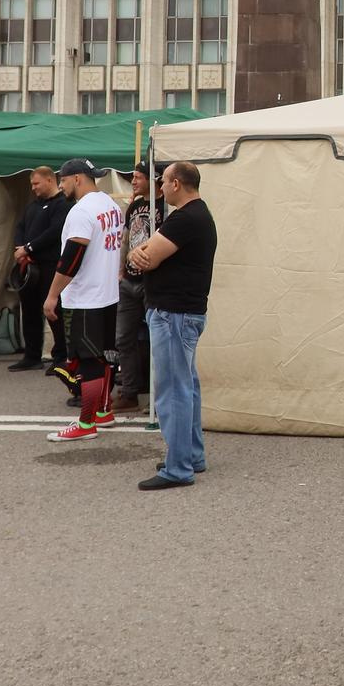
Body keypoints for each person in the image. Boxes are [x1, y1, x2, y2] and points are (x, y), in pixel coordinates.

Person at [124, 160, 215, 490]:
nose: (158, 186)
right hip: (183, 313)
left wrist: (140, 252)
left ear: (177, 184)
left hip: (173, 314)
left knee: (173, 391)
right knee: (186, 386)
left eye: (163, 181)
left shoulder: (185, 219)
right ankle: (190, 455)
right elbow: (141, 255)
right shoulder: (197, 216)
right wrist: (140, 253)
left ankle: (178, 467)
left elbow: (147, 255)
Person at [42, 159, 122, 440]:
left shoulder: (81, 211)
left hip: (86, 297)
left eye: (62, 180)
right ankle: (104, 410)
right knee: (106, 357)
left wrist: (52, 295)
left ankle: (87, 423)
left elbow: (71, 260)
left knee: (88, 361)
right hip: (109, 293)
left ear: (77, 179)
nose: (60, 185)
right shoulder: (111, 205)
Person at [9, 167, 68, 372]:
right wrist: (20, 247)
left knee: (53, 310)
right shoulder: (33, 206)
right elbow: (20, 227)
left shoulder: (62, 204)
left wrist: (29, 247)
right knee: (30, 311)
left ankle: (61, 356)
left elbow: (54, 232)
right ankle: (32, 355)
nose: (33, 188)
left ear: (50, 180)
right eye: (32, 184)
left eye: (36, 184)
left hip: (51, 265)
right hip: (30, 267)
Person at [114, 164, 154, 415]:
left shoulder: (165, 206)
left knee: (157, 340)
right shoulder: (135, 206)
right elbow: (126, 238)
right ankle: (129, 392)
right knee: (124, 339)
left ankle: (157, 396)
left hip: (152, 282)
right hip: (130, 281)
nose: (134, 181)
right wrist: (120, 269)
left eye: (139, 177)